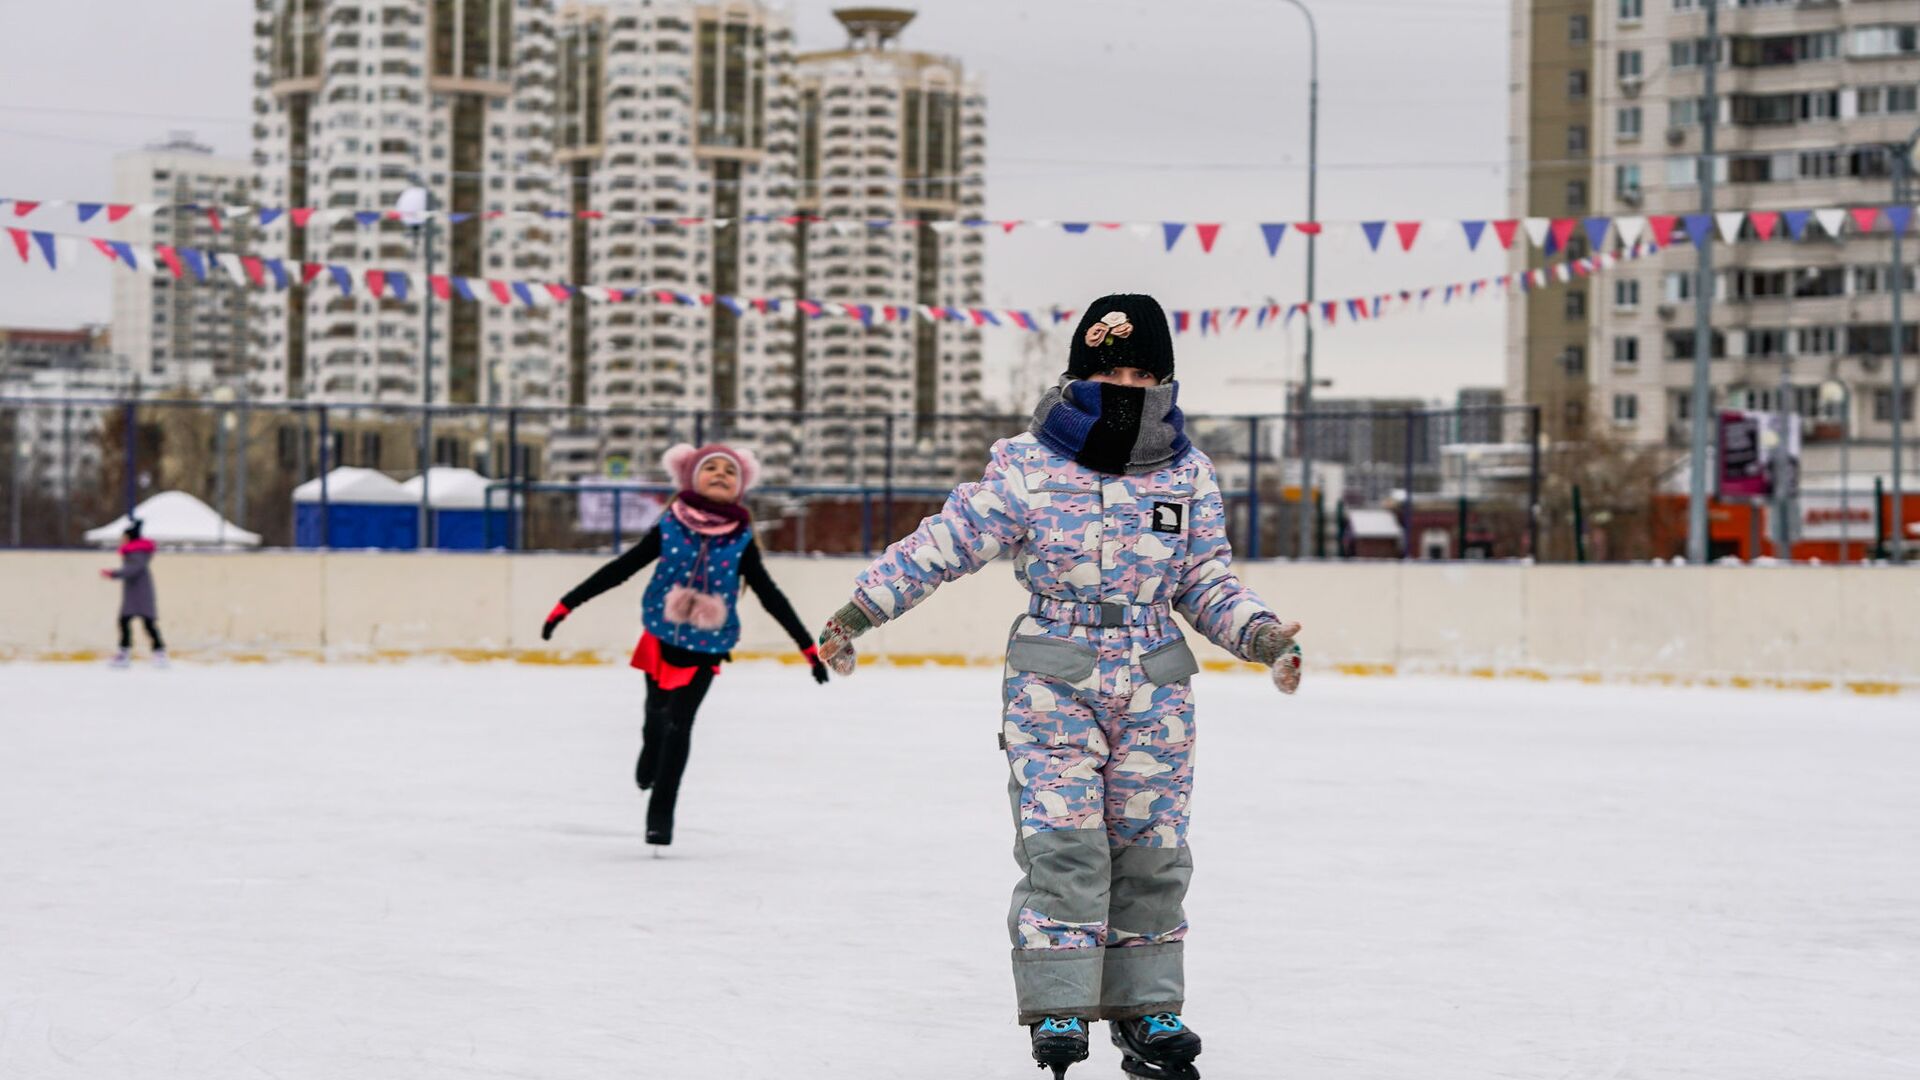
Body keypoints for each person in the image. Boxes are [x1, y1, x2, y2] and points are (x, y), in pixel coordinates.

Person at [815, 295, 1303, 1080]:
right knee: (1065, 846)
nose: (1128, 384)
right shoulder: (1029, 462)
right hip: (1055, 674)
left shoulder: (1188, 470)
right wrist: (861, 609)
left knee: (1152, 853)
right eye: (1111, 369)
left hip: (1155, 680)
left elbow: (1206, 579)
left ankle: (1149, 1012)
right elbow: (947, 541)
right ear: (1080, 373)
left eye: (1143, 371)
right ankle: (1061, 1004)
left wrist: (1262, 634)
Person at [541, 443, 828, 848]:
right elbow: (621, 568)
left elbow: (769, 594)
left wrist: (807, 649)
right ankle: (648, 747)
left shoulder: (740, 538)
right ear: (691, 478)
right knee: (656, 717)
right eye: (710, 467)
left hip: (707, 645)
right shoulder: (671, 524)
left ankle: (660, 816)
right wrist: (565, 605)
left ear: (740, 487)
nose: (720, 474)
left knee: (680, 724)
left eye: (729, 472)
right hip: (661, 634)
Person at [102, 519, 165, 668]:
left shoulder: (137, 554)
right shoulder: (134, 553)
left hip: (141, 594)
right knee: (125, 621)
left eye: (124, 538)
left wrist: (113, 573)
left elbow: (132, 570)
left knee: (147, 623)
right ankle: (125, 653)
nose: (121, 540)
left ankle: (159, 653)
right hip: (134, 593)